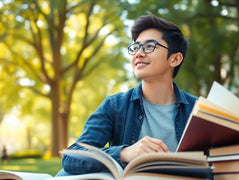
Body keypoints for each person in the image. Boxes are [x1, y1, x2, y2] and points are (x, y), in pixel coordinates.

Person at [56, 12, 197, 176]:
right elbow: (72, 156)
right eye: (136, 47)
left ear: (175, 59)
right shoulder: (115, 106)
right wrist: (124, 153)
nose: (139, 53)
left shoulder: (197, 110)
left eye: (149, 46)